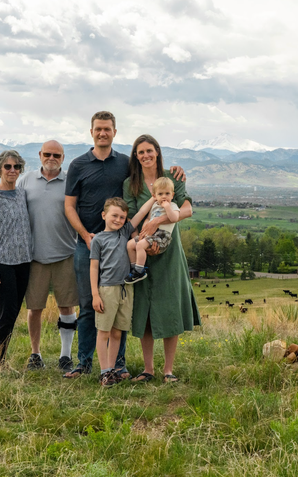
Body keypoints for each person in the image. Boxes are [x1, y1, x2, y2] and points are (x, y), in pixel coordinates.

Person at [64, 111, 186, 379]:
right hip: (92, 243)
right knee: (89, 305)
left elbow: (167, 196)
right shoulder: (79, 165)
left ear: (115, 132)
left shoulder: (126, 166)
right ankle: (85, 363)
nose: (102, 133)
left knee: (121, 305)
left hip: (125, 244)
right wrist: (86, 235)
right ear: (91, 131)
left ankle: (117, 366)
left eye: (107, 129)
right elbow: (69, 205)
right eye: (98, 129)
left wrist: (174, 175)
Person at [123, 134, 200, 384]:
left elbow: (186, 209)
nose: (146, 155)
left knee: (170, 306)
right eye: (140, 152)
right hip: (143, 255)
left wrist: (157, 221)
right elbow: (131, 217)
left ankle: (168, 370)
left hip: (169, 252)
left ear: (157, 152)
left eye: (150, 151)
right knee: (144, 308)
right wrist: (140, 241)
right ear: (136, 156)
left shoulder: (172, 178)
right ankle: (148, 369)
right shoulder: (130, 184)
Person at [17, 140, 79, 371]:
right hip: (33, 256)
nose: (51, 158)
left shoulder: (71, 182)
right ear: (40, 155)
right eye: (47, 154)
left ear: (63, 158)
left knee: (67, 306)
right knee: (34, 308)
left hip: (66, 253)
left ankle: (65, 355)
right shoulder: (26, 180)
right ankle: (36, 354)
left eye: (57, 155)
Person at [91, 197, 154, 386]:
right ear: (104, 215)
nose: (118, 220)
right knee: (103, 331)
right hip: (107, 289)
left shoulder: (126, 231)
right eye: (114, 216)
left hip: (126, 289)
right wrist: (95, 294)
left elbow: (142, 213)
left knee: (117, 333)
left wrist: (154, 196)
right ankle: (104, 372)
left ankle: (112, 370)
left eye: (122, 217)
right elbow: (94, 268)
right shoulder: (98, 240)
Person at [0, 150, 32, 371]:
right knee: (7, 314)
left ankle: (0, 360)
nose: (12, 171)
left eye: (16, 167)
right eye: (8, 167)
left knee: (13, 313)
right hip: (3, 264)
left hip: (24, 262)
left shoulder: (22, 194)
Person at [125, 177, 180, 284]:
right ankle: (135, 268)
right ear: (154, 196)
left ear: (172, 195)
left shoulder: (173, 206)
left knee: (140, 245)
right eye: (160, 194)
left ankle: (139, 271)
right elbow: (149, 219)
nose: (164, 197)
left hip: (162, 236)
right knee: (130, 245)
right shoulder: (154, 205)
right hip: (151, 234)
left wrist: (167, 207)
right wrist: (144, 231)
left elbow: (174, 218)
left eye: (167, 194)